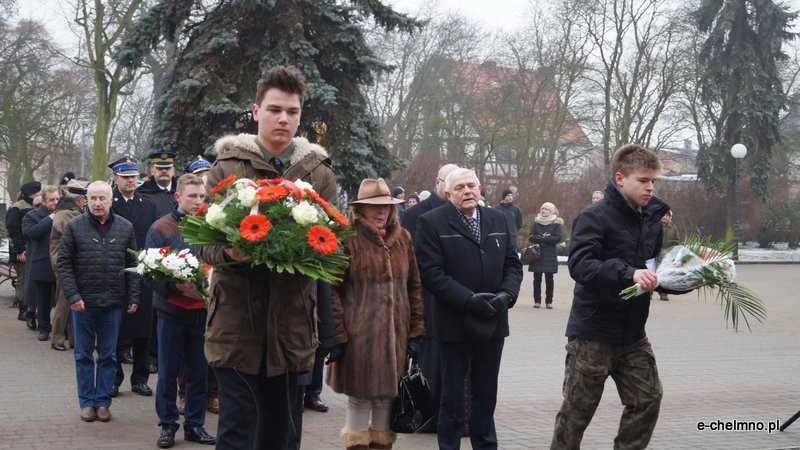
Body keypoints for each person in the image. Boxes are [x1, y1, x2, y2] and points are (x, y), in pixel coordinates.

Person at [197, 65, 338, 449]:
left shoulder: (318, 172)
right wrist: (228, 250)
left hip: (291, 326)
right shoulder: (226, 166)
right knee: (237, 435)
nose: (283, 118)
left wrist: (308, 249)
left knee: (283, 436)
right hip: (236, 324)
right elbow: (200, 240)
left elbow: (334, 244)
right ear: (256, 111)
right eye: (275, 109)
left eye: (292, 112)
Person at [551, 144, 674, 449]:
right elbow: (581, 266)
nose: (650, 187)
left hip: (633, 335)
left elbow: (654, 268)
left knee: (648, 399)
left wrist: (688, 276)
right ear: (620, 178)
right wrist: (627, 272)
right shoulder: (594, 217)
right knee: (576, 414)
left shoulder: (652, 220)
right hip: (593, 334)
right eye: (643, 180)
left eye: (653, 181)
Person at [415, 168, 523, 450]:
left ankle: (485, 445)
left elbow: (512, 262)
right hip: (454, 322)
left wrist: (506, 295)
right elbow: (431, 273)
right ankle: (449, 445)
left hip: (493, 319)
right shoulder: (432, 222)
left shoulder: (498, 218)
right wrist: (468, 299)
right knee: (452, 395)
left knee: (485, 393)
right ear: (448, 194)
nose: (467, 191)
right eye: (460, 187)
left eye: (471, 186)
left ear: (480, 188)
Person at [326, 178, 424, 450]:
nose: (380, 212)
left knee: (387, 402)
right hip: (360, 339)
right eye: (373, 206)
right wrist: (339, 335)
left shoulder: (403, 238)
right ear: (360, 210)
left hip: (395, 338)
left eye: (384, 206)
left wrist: (416, 332)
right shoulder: (347, 238)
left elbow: (414, 286)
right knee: (359, 400)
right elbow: (332, 289)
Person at [57, 181, 140, 423]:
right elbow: (64, 264)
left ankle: (103, 402)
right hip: (83, 304)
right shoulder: (74, 227)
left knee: (108, 355)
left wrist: (134, 297)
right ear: (85, 200)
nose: (97, 203)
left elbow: (133, 265)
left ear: (112, 199)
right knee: (83, 355)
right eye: (92, 198)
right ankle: (87, 403)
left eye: (102, 198)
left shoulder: (125, 227)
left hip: (113, 303)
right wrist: (73, 296)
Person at [146, 173, 215, 448]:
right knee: (168, 373)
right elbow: (149, 273)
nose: (198, 201)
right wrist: (175, 285)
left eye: (201, 196)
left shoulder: (212, 225)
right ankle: (167, 425)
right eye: (192, 196)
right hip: (172, 313)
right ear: (178, 197)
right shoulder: (161, 228)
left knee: (199, 373)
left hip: (202, 313)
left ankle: (195, 425)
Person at [399, 163, 459, 433]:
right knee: (426, 358)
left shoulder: (462, 211)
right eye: (450, 183)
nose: (453, 190)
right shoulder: (415, 214)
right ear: (438, 183)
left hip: (455, 296)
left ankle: (451, 411)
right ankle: (423, 412)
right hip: (424, 293)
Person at [108, 156, 158, 397]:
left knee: (143, 330)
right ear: (115, 178)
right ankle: (114, 378)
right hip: (118, 272)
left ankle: (140, 377)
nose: (130, 181)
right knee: (116, 330)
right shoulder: (109, 203)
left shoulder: (146, 204)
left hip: (142, 270)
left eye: (133, 176)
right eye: (125, 177)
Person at [49, 180, 90, 351]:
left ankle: (74, 339)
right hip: (64, 263)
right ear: (79, 199)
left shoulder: (70, 211)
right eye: (86, 198)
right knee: (65, 301)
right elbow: (79, 235)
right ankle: (57, 338)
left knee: (72, 300)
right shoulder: (66, 214)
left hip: (70, 262)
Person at [21, 186, 60, 341]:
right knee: (43, 298)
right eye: (52, 200)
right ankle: (44, 328)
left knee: (58, 300)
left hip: (60, 262)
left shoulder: (64, 215)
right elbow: (31, 233)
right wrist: (49, 219)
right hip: (42, 262)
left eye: (57, 199)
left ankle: (61, 329)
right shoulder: (32, 216)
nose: (55, 202)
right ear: (43, 201)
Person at [6, 181, 41, 325]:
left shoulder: (33, 205)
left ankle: (29, 309)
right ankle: (23, 310)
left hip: (30, 249)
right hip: (21, 250)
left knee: (29, 280)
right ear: (32, 193)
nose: (39, 193)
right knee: (23, 280)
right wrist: (20, 250)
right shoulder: (17, 207)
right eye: (38, 191)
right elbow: (13, 230)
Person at [527, 202, 563, 309]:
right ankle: (537, 301)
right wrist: (540, 238)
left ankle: (549, 302)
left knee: (549, 279)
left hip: (549, 254)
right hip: (537, 254)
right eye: (542, 208)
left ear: (551, 211)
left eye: (546, 209)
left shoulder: (556, 223)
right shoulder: (536, 223)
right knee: (536, 278)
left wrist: (543, 238)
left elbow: (558, 238)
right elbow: (531, 237)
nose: (543, 211)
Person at [137, 151, 178, 218]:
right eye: (160, 168)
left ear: (173, 171)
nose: (164, 171)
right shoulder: (142, 193)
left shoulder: (182, 191)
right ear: (152, 171)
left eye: (167, 168)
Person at [659, 210, 678, 301]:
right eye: (663, 215)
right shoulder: (655, 225)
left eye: (667, 215)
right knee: (652, 272)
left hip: (667, 254)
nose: (664, 217)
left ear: (670, 218)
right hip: (656, 253)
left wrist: (674, 253)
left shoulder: (673, 228)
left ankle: (664, 293)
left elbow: (676, 241)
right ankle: (649, 293)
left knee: (664, 274)